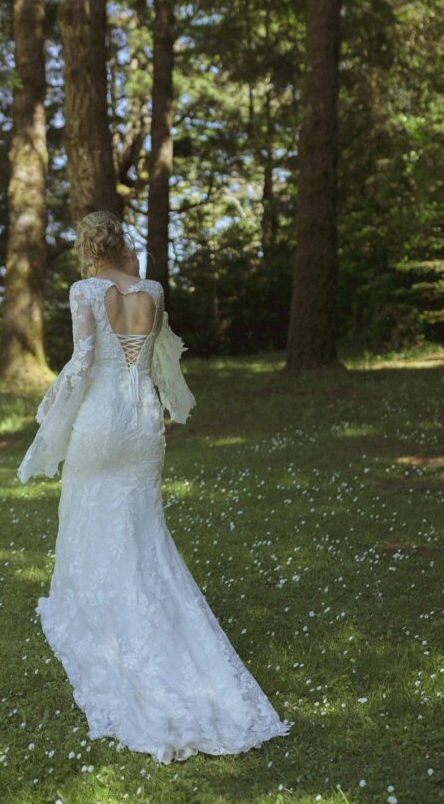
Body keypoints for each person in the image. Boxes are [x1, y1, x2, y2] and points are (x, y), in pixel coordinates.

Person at [18, 211, 290, 764]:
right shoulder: (155, 292)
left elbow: (85, 360)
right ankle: (163, 626)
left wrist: (51, 407)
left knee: (91, 513)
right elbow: (159, 359)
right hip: (142, 423)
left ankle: (99, 614)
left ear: (90, 248)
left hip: (100, 421)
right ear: (123, 245)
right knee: (143, 528)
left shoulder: (84, 290)